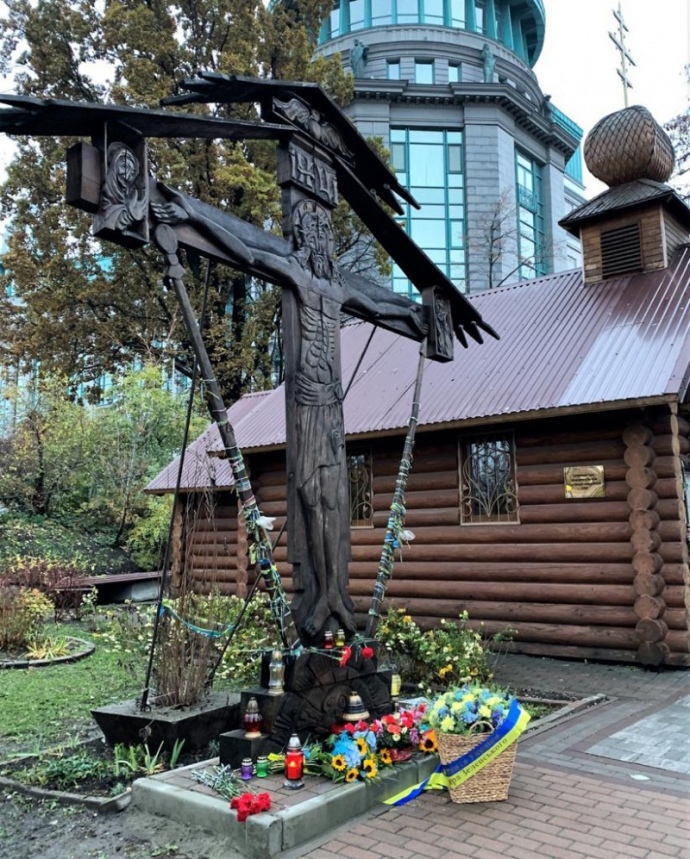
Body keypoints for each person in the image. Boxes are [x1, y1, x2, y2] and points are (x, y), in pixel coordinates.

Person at [152, 187, 427, 640]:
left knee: (334, 497)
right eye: (312, 234)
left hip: (331, 404)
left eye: (325, 236)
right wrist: (193, 215)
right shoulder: (295, 271)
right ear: (301, 237)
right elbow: (246, 252)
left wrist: (416, 316)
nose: (319, 242)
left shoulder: (337, 286)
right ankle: (323, 597)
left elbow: (381, 306)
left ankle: (333, 595)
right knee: (309, 492)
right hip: (308, 401)